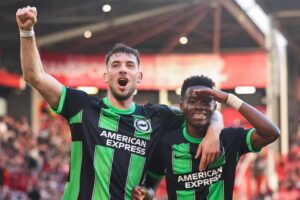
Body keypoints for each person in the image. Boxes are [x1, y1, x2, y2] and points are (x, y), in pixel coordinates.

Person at [16, 6, 223, 199]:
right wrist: (26, 32)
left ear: (139, 76)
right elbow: (35, 76)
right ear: (106, 76)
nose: (123, 69)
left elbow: (200, 110)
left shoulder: (156, 117)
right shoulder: (82, 107)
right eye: (115, 65)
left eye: (129, 65)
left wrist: (214, 131)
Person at [132, 75, 280, 200]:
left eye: (205, 101)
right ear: (182, 106)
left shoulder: (230, 139)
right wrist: (146, 193)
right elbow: (150, 185)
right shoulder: (166, 144)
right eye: (192, 101)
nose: (199, 106)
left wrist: (230, 98)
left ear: (215, 107)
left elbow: (271, 133)